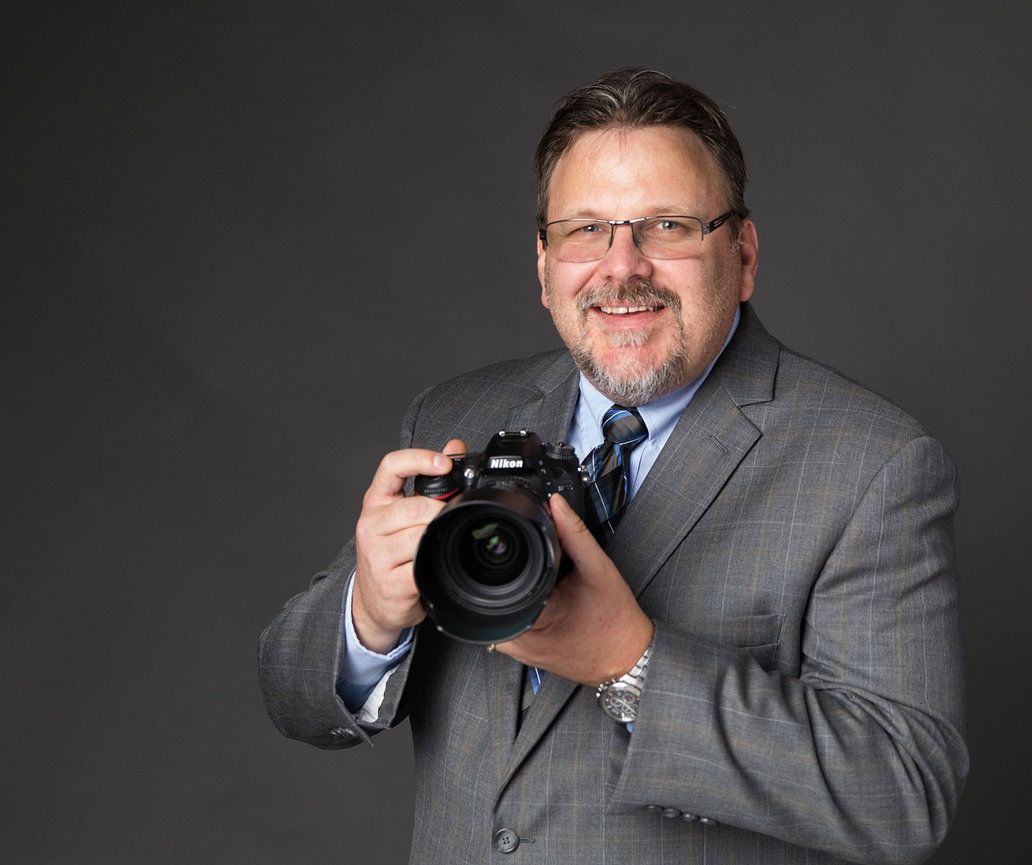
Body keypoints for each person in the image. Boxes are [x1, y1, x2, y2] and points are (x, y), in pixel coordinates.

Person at [259, 68, 967, 864]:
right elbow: (292, 697)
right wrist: (370, 615)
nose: (621, 266)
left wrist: (631, 663)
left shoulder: (870, 463)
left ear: (742, 252)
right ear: (543, 263)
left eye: (666, 226)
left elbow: (904, 793)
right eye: (585, 230)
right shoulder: (453, 420)